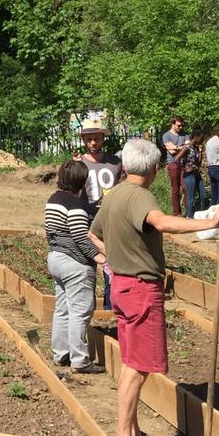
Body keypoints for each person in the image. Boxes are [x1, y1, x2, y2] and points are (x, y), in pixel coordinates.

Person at [91, 137, 219, 436]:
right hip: (141, 289)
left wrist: (112, 257)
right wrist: (210, 222)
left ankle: (133, 432)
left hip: (122, 287)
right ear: (155, 169)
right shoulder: (140, 197)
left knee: (130, 362)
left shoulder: (114, 196)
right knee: (138, 367)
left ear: (126, 166)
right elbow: (162, 222)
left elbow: (92, 231)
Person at [45, 159, 108, 374]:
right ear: (83, 181)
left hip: (56, 258)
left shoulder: (54, 199)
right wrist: (99, 257)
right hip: (74, 264)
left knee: (62, 309)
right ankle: (80, 360)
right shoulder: (75, 206)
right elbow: (81, 236)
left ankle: (60, 353)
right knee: (80, 312)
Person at [76, 120, 122, 308]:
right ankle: (89, 310)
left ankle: (110, 310)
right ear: (84, 140)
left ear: (103, 138)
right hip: (87, 218)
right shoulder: (79, 163)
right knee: (88, 267)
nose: (93, 143)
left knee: (111, 266)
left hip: (110, 218)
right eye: (89, 139)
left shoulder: (115, 162)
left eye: (96, 138)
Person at [161, 117, 188, 217]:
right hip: (173, 164)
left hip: (184, 164)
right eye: (179, 125)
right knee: (176, 189)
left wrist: (176, 147)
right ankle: (177, 213)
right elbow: (171, 151)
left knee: (186, 188)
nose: (181, 127)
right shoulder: (166, 135)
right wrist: (182, 148)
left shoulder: (185, 134)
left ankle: (188, 211)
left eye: (182, 125)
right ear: (173, 124)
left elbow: (188, 148)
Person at [180, 129, 208, 217]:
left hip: (197, 174)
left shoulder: (196, 148)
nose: (202, 140)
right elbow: (177, 159)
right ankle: (190, 216)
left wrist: (200, 153)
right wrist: (184, 168)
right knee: (190, 197)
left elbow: (198, 163)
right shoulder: (187, 147)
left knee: (203, 195)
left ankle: (200, 214)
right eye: (201, 138)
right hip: (189, 175)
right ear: (196, 137)